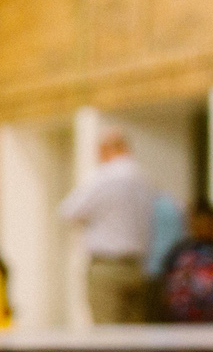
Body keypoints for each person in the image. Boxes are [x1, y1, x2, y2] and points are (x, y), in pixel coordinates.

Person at [58, 131, 154, 322]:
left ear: (106, 150)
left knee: (107, 331)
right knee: (134, 331)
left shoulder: (105, 177)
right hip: (136, 266)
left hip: (107, 266)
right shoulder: (142, 178)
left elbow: (68, 211)